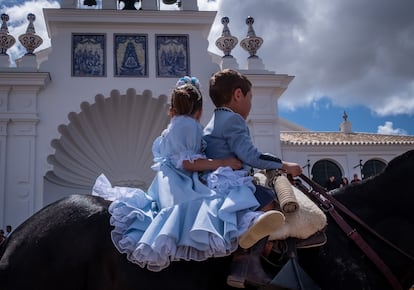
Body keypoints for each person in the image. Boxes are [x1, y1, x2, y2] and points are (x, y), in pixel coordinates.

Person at [93, 76, 282, 272]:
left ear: (171, 110)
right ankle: (248, 252)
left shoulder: (172, 127)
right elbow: (187, 162)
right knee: (217, 206)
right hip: (181, 181)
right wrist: (222, 162)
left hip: (165, 182)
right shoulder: (189, 126)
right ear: (199, 112)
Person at [203, 68, 303, 288]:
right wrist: (284, 165)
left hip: (217, 181)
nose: (250, 104)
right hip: (231, 183)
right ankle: (246, 263)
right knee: (269, 202)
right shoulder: (233, 120)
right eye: (250, 98)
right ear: (238, 95)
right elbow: (251, 155)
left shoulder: (215, 120)